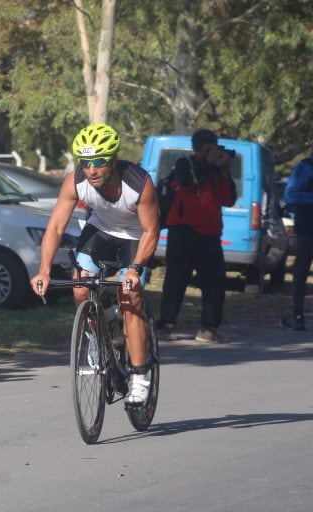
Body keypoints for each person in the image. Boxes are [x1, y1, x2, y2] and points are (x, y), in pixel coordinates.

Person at [30, 123, 159, 406]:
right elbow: (54, 228)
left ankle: (140, 376)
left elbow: (152, 231)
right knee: (80, 286)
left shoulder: (138, 183)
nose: (92, 170)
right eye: (86, 163)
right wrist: (43, 270)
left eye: (99, 162)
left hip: (135, 236)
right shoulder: (75, 181)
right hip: (100, 230)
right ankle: (102, 335)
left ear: (112, 160)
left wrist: (135, 270)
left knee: (130, 296)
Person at [157, 129, 237, 343]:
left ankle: (208, 328)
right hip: (182, 232)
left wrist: (224, 171)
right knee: (176, 279)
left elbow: (229, 199)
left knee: (215, 283)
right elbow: (188, 182)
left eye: (214, 148)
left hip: (210, 235)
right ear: (197, 149)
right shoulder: (185, 163)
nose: (213, 152)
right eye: (208, 148)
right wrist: (208, 163)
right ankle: (166, 325)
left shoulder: (216, 170)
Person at [283, 154, 313, 331]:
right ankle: (298, 316)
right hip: (308, 228)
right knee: (301, 273)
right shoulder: (305, 167)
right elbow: (290, 195)